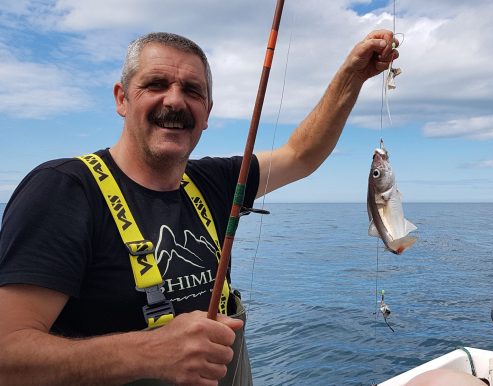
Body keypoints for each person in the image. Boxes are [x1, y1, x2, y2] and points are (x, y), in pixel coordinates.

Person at [0, 30, 399, 385]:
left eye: (192, 91)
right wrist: (147, 352)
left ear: (207, 112)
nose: (174, 101)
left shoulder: (215, 181)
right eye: (156, 84)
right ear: (122, 98)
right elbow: (7, 356)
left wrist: (352, 75)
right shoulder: (64, 190)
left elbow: (301, 154)